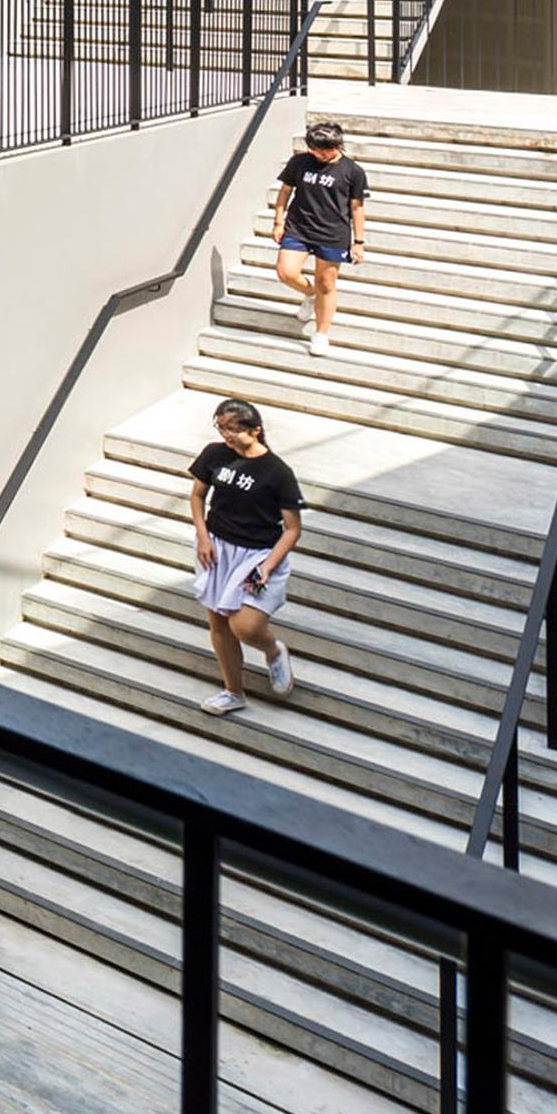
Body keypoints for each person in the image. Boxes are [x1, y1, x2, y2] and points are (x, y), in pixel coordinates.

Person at [188, 396, 305, 716]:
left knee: (246, 626)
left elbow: (292, 529)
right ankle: (232, 691)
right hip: (217, 548)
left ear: (255, 430)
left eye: (233, 429)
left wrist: (268, 567)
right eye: (221, 427)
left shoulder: (277, 472)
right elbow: (198, 496)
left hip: (257, 554)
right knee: (219, 623)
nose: (226, 435)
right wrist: (202, 537)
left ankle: (273, 651)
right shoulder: (215, 455)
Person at [267, 120, 369, 356]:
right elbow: (285, 192)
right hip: (298, 226)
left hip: (332, 233)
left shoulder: (353, 172)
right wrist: (278, 221)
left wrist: (359, 242)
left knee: (326, 284)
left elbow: (357, 208)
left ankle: (321, 333)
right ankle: (310, 295)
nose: (324, 155)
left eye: (330, 150)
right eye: (319, 150)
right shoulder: (299, 162)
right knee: (286, 272)